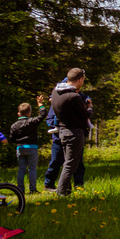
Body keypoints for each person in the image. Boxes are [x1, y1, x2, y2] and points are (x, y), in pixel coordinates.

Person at [51, 68, 90, 196]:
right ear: (80, 79)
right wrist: (90, 107)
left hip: (63, 130)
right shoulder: (73, 96)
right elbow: (84, 114)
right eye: (83, 79)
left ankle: (66, 191)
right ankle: (61, 193)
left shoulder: (56, 92)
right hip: (74, 132)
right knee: (71, 165)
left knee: (67, 163)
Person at [8, 102, 41, 196]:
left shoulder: (14, 125)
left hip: (20, 147)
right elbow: (42, 115)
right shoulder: (32, 122)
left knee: (21, 168)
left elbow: (11, 138)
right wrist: (41, 105)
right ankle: (33, 189)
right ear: (29, 113)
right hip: (32, 147)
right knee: (32, 168)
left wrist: (18, 141)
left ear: (19, 113)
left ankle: (20, 189)